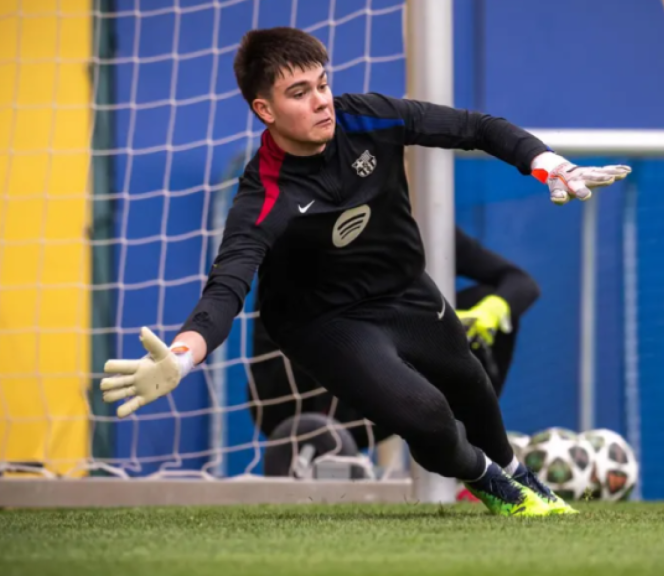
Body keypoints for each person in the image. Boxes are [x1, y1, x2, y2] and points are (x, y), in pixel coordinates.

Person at [98, 26, 630, 518]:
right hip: (326, 323)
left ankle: (516, 471)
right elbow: (227, 287)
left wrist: (546, 163)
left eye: (323, 84)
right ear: (265, 109)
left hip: (404, 291)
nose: (321, 100)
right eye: (300, 92)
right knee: (427, 414)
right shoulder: (262, 194)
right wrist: (183, 355)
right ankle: (495, 485)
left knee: (469, 383)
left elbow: (476, 128)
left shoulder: (368, 117)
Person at [247, 224, 541, 452]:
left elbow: (521, 282)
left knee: (486, 304)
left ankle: (474, 453)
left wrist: (489, 312)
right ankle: (314, 454)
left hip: (382, 387)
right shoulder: (311, 224)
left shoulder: (426, 226)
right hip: (287, 398)